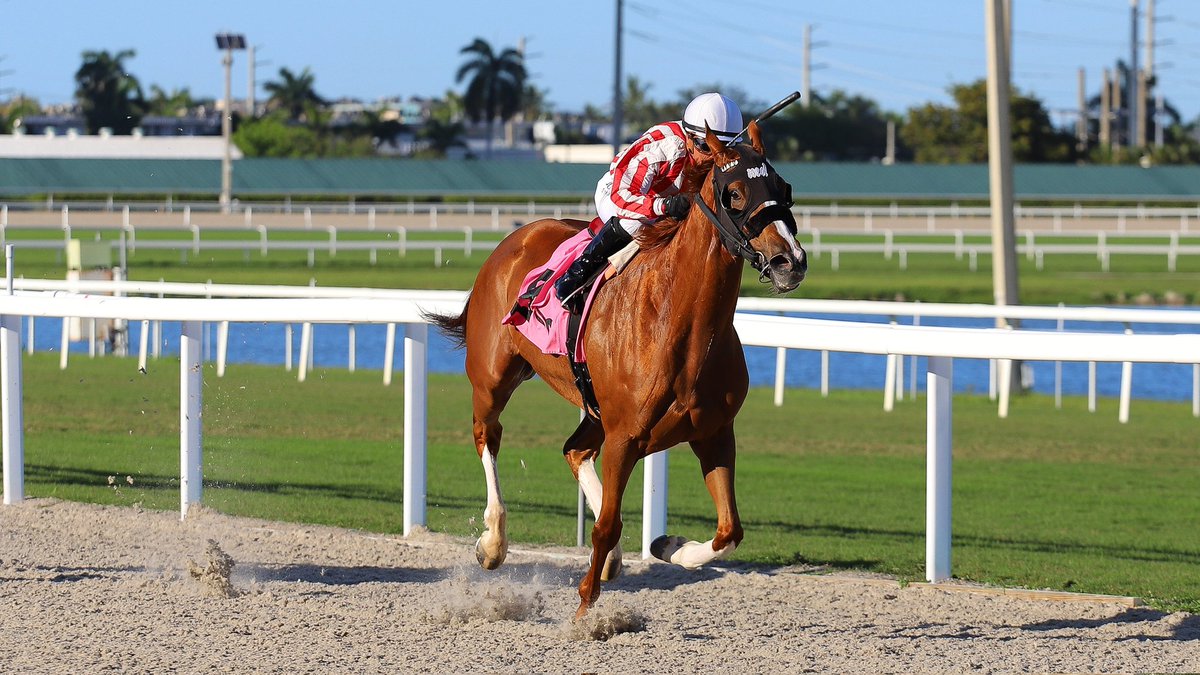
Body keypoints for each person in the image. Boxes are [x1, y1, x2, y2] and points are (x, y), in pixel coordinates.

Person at [554, 92, 744, 312]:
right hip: (619, 192)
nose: (713, 157)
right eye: (706, 147)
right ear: (689, 138)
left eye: (723, 149)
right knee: (637, 223)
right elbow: (621, 194)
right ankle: (575, 277)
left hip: (668, 198)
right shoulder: (665, 148)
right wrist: (663, 206)